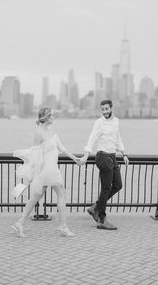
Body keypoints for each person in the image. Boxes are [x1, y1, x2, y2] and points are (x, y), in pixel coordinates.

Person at [11, 107, 81, 238]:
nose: (54, 117)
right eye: (52, 115)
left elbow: (62, 148)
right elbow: (34, 155)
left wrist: (75, 158)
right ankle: (63, 226)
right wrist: (31, 175)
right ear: (46, 117)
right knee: (60, 193)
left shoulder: (52, 132)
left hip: (51, 169)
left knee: (37, 196)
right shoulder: (38, 134)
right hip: (45, 170)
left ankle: (20, 223)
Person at [80, 99, 129, 230]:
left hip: (113, 157)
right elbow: (92, 138)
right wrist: (86, 154)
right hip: (102, 157)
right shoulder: (99, 123)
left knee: (118, 185)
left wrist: (124, 154)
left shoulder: (116, 121)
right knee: (106, 189)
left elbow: (117, 138)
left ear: (111, 108)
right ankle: (101, 219)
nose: (105, 112)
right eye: (102, 109)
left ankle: (95, 207)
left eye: (107, 109)